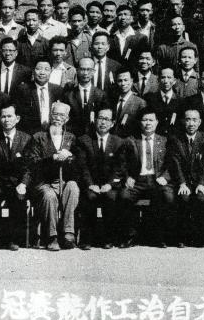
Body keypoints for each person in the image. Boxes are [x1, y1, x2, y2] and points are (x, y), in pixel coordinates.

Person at [25, 102, 80, 251]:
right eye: (55, 114)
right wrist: (52, 158)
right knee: (49, 196)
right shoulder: (38, 137)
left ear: (67, 119)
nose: (58, 118)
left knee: (73, 187)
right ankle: (52, 237)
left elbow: (78, 164)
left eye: (62, 115)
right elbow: (33, 163)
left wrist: (69, 156)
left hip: (63, 181)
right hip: (44, 182)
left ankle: (68, 233)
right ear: (50, 116)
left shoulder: (71, 138)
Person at [118, 108, 174, 247]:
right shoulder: (131, 141)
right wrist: (127, 177)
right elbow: (122, 163)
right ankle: (130, 236)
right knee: (124, 196)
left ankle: (158, 236)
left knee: (167, 196)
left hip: (157, 179)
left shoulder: (165, 141)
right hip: (137, 180)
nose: (148, 123)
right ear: (140, 122)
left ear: (157, 122)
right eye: (144, 120)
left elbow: (171, 163)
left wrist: (165, 177)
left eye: (151, 120)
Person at [76, 106, 127, 250]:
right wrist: (90, 184)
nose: (103, 122)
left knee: (111, 197)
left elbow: (120, 168)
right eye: (100, 118)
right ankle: (86, 239)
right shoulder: (84, 140)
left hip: (109, 185)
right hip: (90, 184)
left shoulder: (118, 142)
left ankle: (107, 238)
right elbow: (83, 166)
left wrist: (110, 184)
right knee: (89, 197)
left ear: (112, 123)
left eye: (107, 119)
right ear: (95, 120)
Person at [0, 104, 30, 251]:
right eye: (3, 116)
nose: (6, 119)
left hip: (17, 183)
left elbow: (28, 167)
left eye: (10, 116)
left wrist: (23, 183)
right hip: (0, 182)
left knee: (18, 201)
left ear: (17, 118)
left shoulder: (26, 138)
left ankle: (12, 239)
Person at [168, 107, 204, 247]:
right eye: (188, 120)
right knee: (184, 197)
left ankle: (199, 237)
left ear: (199, 122)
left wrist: (202, 183)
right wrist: (182, 183)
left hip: (200, 181)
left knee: (201, 198)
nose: (191, 123)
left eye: (194, 120)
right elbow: (175, 163)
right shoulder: (175, 139)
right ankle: (183, 237)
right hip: (184, 181)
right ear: (183, 121)